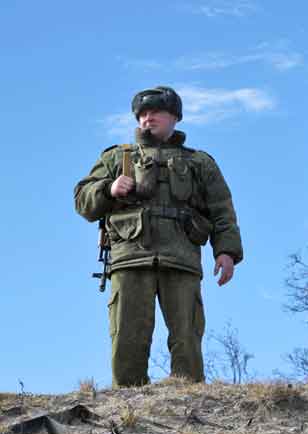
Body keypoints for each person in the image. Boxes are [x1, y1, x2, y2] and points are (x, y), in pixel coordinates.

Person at [74, 86, 244, 387]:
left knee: (187, 335)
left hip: (181, 258)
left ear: (174, 117)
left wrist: (226, 251)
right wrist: (109, 189)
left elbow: (222, 210)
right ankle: (128, 404)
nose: (147, 118)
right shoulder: (117, 157)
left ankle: (188, 399)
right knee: (127, 335)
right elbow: (83, 200)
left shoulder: (199, 162)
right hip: (130, 257)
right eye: (142, 113)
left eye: (155, 112)